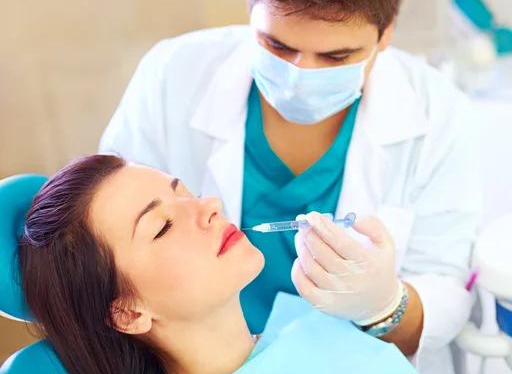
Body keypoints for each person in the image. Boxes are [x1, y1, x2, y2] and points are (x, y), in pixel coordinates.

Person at [99, 0, 481, 372]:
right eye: (277, 45)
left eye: (336, 58)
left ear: (386, 34)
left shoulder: (439, 114)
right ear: (251, 11)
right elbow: (107, 241)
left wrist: (385, 305)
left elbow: (445, 292)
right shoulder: (173, 76)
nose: (300, 78)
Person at [19, 154, 417, 374]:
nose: (209, 206)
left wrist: (383, 306)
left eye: (186, 193)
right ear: (127, 312)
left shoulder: (311, 330)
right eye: (163, 226)